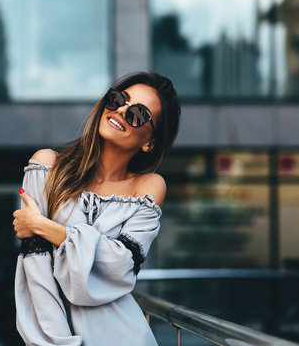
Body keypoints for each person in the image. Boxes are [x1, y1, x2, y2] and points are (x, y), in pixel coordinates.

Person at [12, 71, 181, 345]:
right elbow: (36, 271)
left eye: (138, 113)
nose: (121, 110)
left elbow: (121, 267)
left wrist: (43, 226)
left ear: (150, 142)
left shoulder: (148, 186)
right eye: (118, 99)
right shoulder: (48, 166)